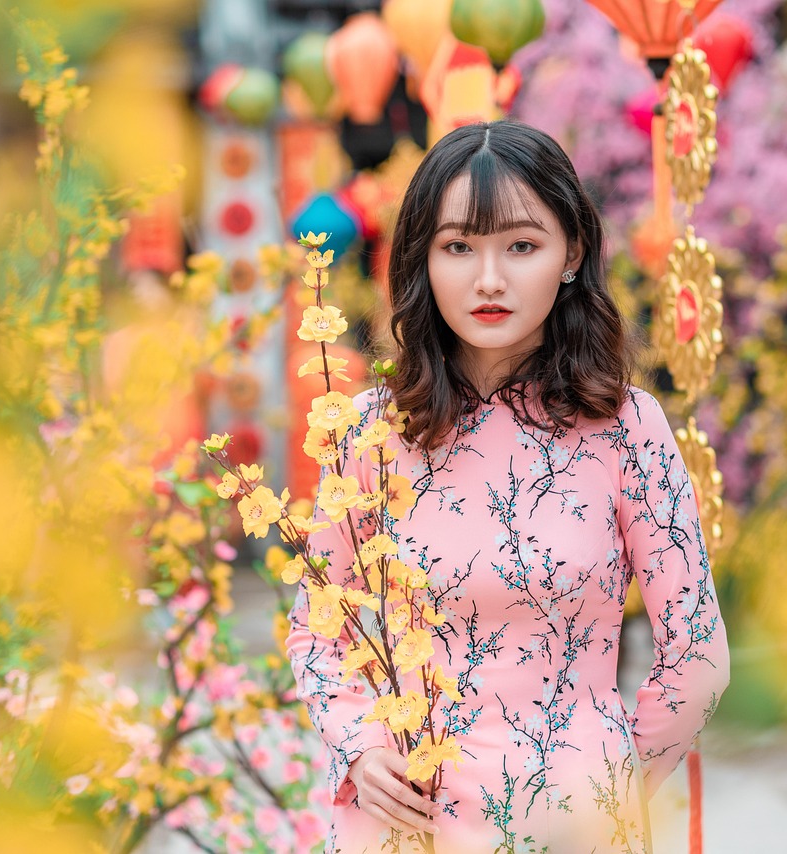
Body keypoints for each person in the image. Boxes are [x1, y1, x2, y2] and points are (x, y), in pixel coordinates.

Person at [286, 120, 729, 853]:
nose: (488, 279)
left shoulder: (626, 429)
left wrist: (607, 785)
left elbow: (698, 656)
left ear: (571, 254)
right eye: (459, 247)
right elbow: (318, 629)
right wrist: (361, 751)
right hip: (405, 825)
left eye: (521, 246)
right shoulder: (366, 430)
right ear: (421, 260)